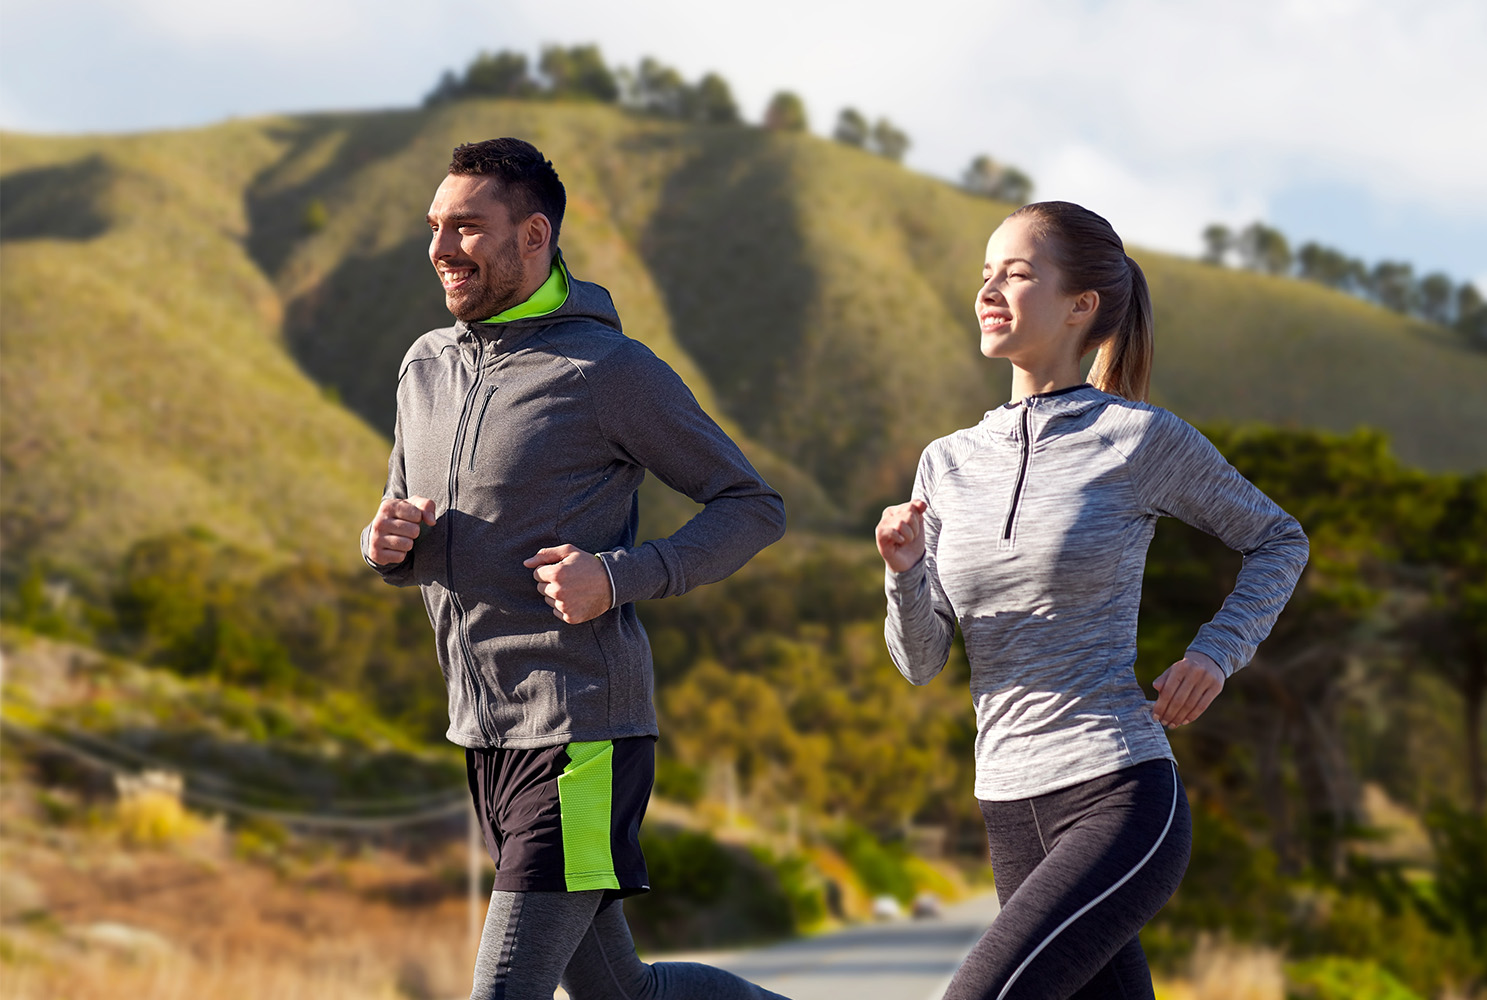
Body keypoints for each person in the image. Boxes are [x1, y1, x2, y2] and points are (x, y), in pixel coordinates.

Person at [362, 137, 789, 1000]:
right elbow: (410, 527)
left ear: (534, 236)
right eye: (435, 227)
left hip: (582, 737)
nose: (443, 249)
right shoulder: (425, 366)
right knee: (622, 995)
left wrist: (619, 575)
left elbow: (752, 506)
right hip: (483, 738)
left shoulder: (607, 371)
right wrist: (384, 546)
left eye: (468, 228)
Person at [876, 202, 1309, 999]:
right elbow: (921, 661)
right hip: (1007, 806)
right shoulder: (946, 464)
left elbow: (1279, 540)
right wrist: (903, 572)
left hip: (1114, 789)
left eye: (1017, 273)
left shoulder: (1139, 439)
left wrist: (1215, 654)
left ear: (1082, 306)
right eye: (984, 274)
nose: (990, 290)